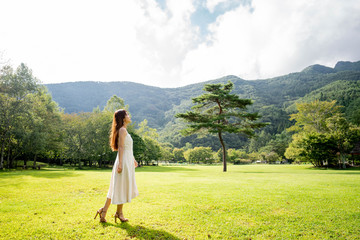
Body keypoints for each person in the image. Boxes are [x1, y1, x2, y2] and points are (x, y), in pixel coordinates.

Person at [94, 109, 139, 223]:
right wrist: (120, 164)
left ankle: (104, 211)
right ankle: (118, 213)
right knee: (120, 187)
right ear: (123, 118)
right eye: (127, 114)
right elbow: (121, 147)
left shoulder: (124, 130)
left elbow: (128, 148)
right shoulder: (122, 130)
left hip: (127, 160)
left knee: (117, 187)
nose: (129, 116)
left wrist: (133, 159)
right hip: (123, 161)